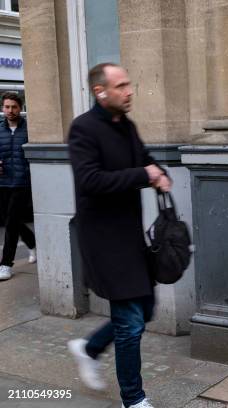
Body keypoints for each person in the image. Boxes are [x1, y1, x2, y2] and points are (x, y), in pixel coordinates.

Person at [66, 62, 171, 408]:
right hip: (102, 240)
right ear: (100, 91)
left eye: (129, 84)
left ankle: (89, 348)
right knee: (129, 322)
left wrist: (158, 173)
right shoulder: (83, 129)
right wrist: (144, 174)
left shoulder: (127, 125)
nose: (129, 91)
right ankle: (134, 398)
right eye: (121, 85)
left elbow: (144, 158)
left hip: (130, 236)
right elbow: (90, 181)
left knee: (144, 309)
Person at [0, 92, 36, 281]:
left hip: (22, 183)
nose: (10, 110)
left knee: (12, 223)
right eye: (7, 107)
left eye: (14, 107)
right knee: (9, 220)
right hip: (3, 182)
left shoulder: (29, 129)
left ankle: (6, 264)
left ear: (20, 108)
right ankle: (32, 243)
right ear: (2, 108)